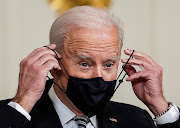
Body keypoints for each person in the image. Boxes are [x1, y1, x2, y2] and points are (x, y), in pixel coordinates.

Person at [0, 6, 179, 128]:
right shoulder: (12, 116)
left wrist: (159, 106)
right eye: (85, 64)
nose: (99, 76)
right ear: (55, 67)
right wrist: (24, 102)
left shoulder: (137, 119)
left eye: (109, 64)